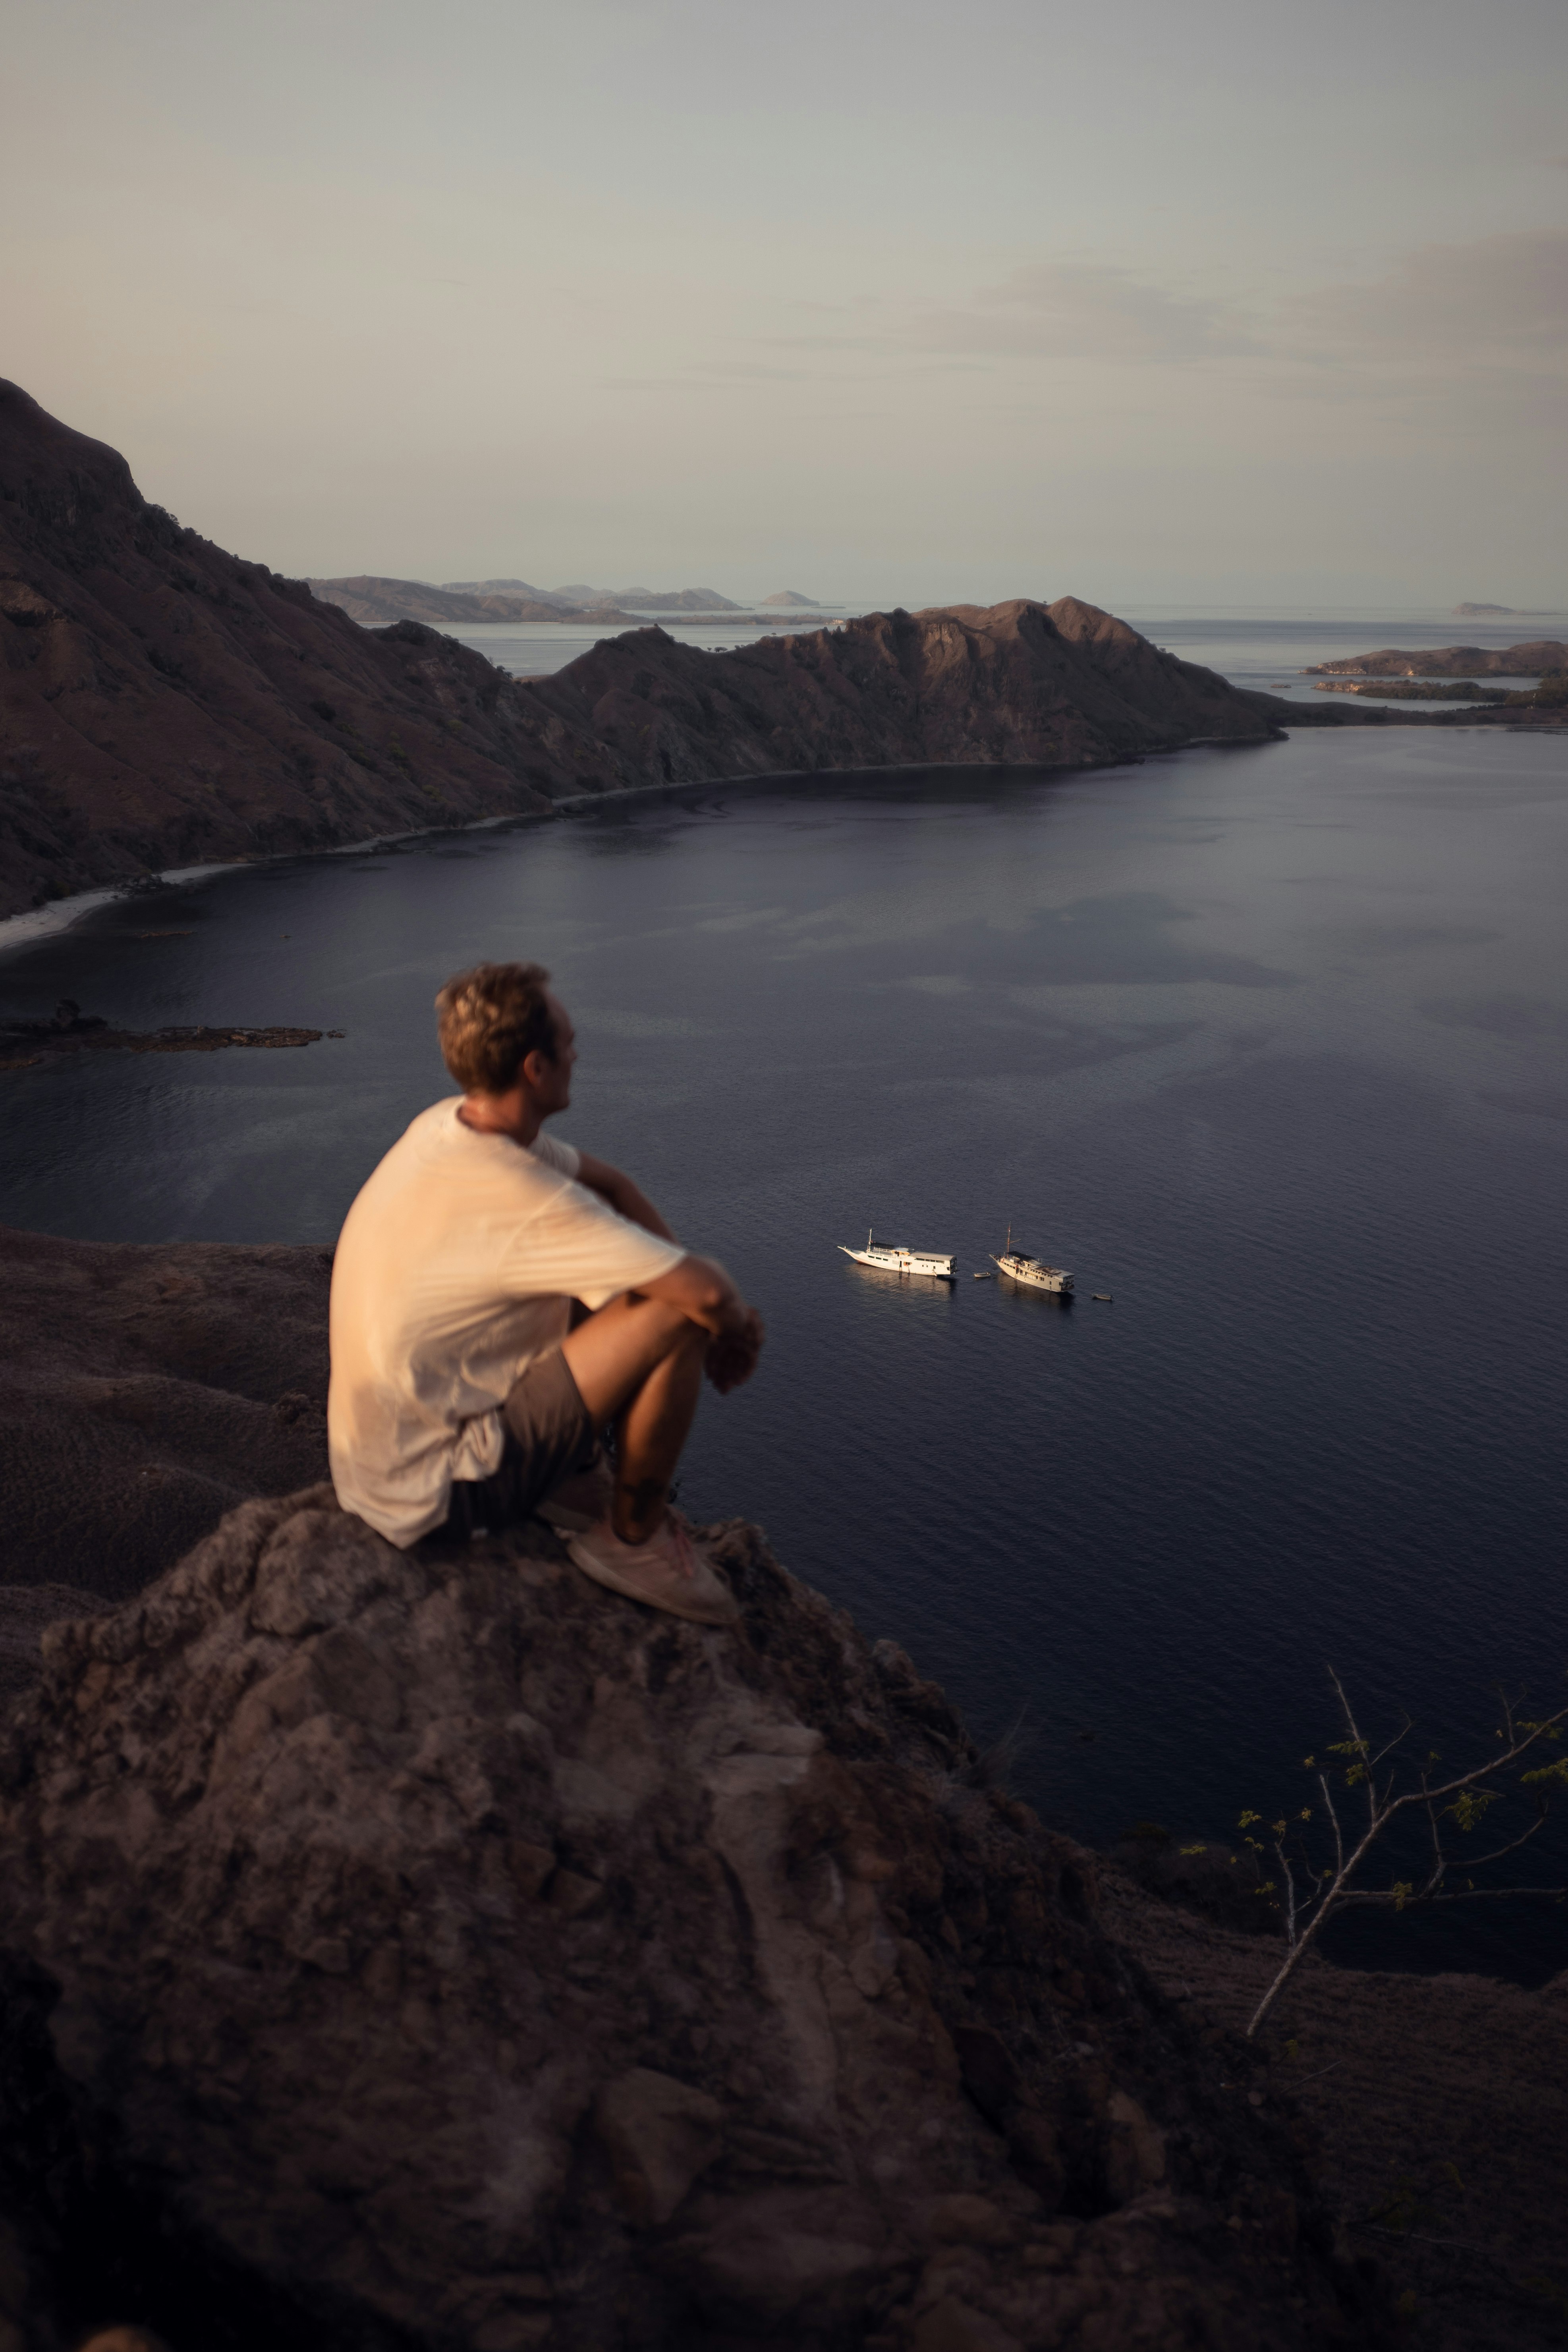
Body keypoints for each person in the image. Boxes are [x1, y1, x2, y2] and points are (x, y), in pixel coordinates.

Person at [327, 961, 763, 1624]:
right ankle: (631, 1539)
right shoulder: (518, 1196)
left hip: (383, 1460)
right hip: (437, 1493)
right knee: (675, 1311)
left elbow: (612, 1185)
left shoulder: (453, 1125)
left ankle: (568, 1473)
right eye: (569, 1040)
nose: (579, 1051)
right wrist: (731, 1330)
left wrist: (700, 1298)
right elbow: (703, 1290)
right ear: (536, 1068)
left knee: (631, 1276)